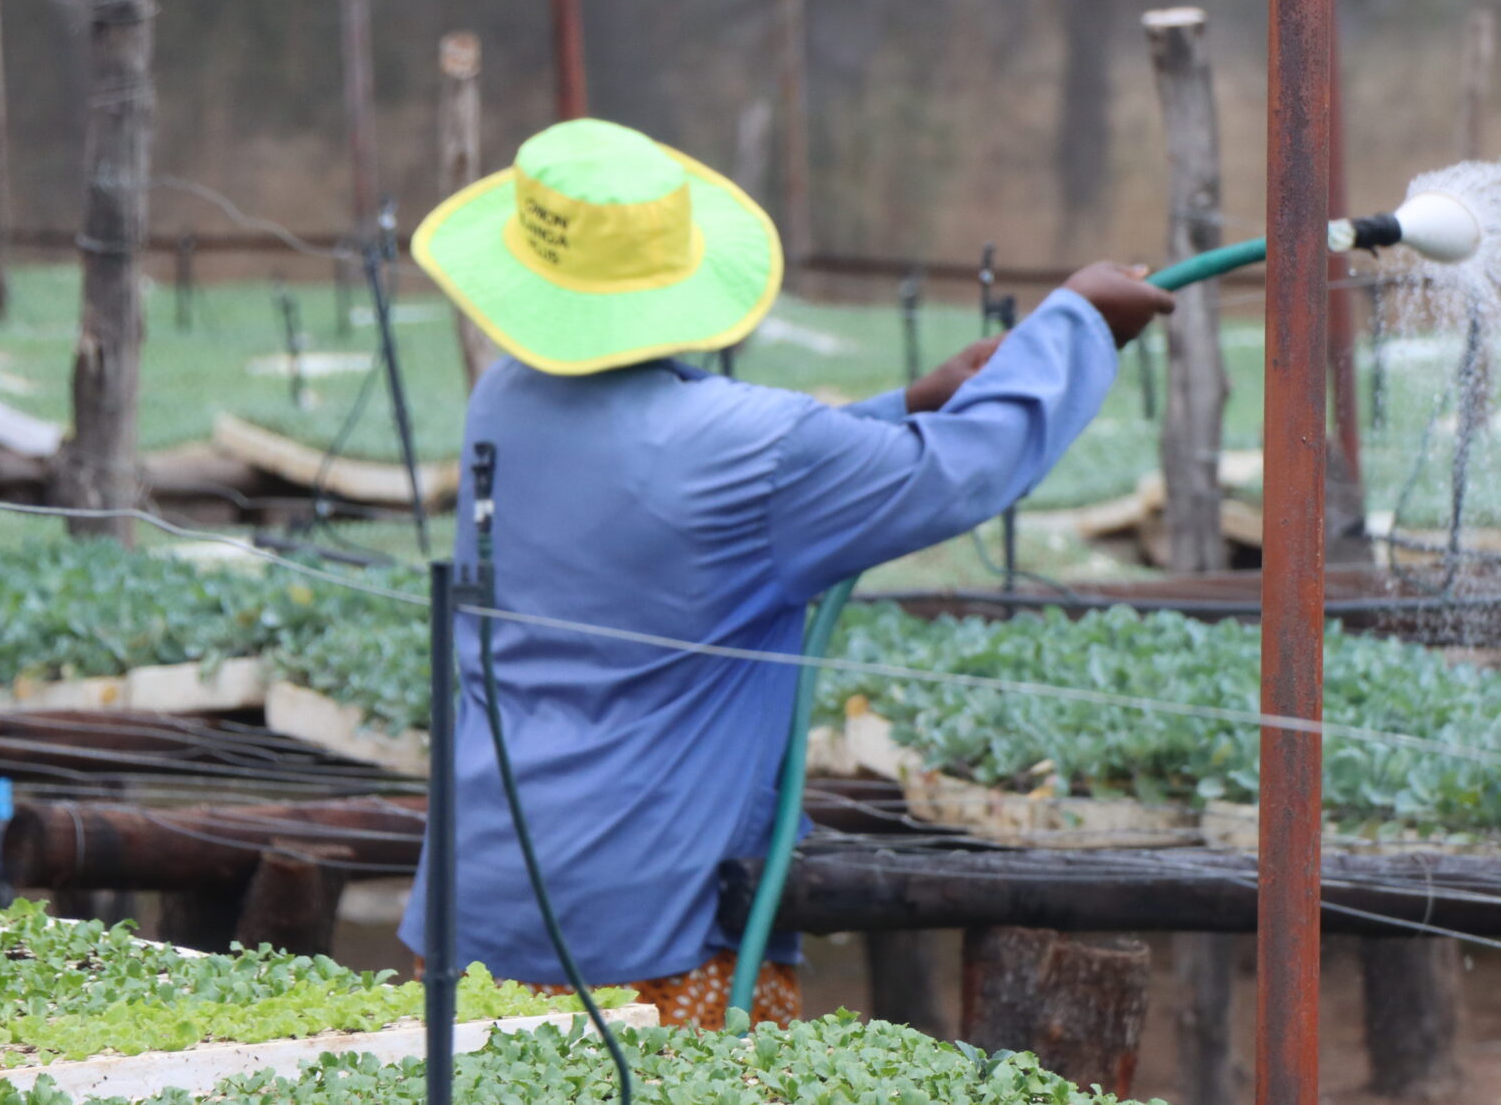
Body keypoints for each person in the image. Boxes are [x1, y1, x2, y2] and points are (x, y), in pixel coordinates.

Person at [396, 118, 1171, 1026]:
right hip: (652, 921)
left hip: (482, 883)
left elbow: (726, 476)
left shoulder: (504, 398)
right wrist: (1074, 326)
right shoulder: (749, 448)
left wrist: (910, 404)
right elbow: (962, 467)